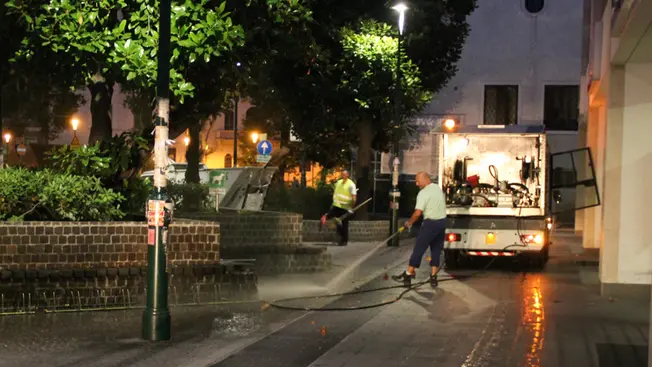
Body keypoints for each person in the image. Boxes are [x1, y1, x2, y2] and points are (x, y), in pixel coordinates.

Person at [392, 171, 447, 288]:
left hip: (430, 224)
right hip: (442, 223)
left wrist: (409, 223)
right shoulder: (437, 188)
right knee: (436, 250)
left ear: (425, 179)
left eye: (418, 181)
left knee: (419, 250)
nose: (416, 184)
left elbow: (417, 213)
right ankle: (433, 277)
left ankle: (408, 275)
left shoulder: (423, 193)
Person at [324, 170, 357, 246]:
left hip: (345, 207)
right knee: (335, 220)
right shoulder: (338, 183)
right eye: (342, 174)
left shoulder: (351, 185)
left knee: (344, 224)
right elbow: (336, 193)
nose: (343, 176)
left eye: (345, 174)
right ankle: (340, 237)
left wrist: (351, 207)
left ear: (348, 175)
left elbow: (354, 198)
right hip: (337, 205)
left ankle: (344, 240)